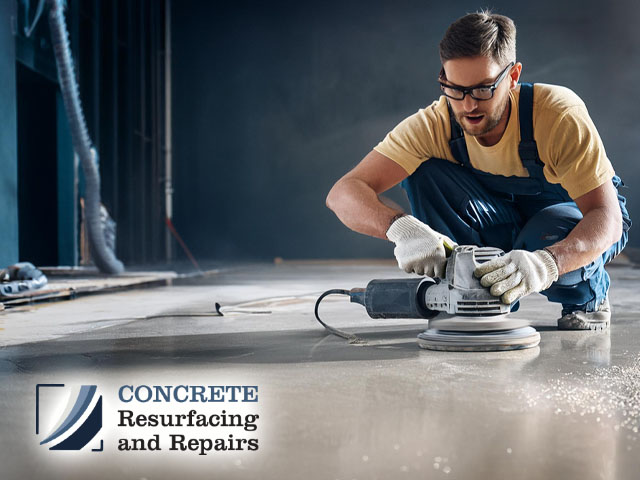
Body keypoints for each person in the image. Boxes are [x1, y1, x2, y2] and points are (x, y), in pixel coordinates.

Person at [326, 10, 631, 330]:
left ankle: (587, 297)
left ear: (512, 77)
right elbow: (344, 192)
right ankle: (474, 297)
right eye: (455, 89)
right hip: (503, 218)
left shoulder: (556, 114)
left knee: (549, 230)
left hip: (571, 219)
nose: (468, 105)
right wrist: (401, 228)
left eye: (483, 89)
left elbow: (605, 217)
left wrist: (547, 263)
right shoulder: (435, 124)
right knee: (425, 174)